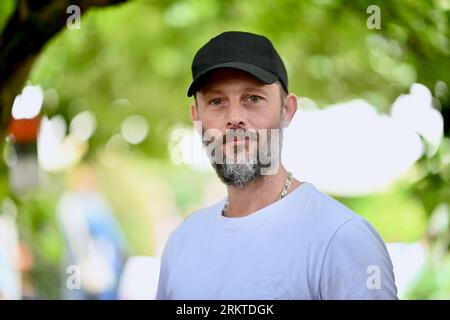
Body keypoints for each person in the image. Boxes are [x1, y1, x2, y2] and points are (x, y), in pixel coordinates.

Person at [156, 31, 398, 300]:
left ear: (287, 110)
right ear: (197, 117)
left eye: (253, 98)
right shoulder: (182, 242)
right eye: (216, 101)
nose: (235, 118)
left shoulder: (340, 237)